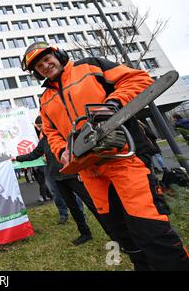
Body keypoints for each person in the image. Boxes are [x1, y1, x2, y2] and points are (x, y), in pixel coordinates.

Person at [22, 41, 189, 270]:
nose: (45, 65)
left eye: (47, 59)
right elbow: (50, 132)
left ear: (58, 54)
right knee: (120, 232)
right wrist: (62, 151)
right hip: (90, 172)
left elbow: (138, 79)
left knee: (149, 226)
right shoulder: (44, 100)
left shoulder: (90, 67)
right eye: (39, 65)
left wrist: (113, 103)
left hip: (123, 159)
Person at [14, 116, 99, 246]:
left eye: (44, 126)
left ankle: (114, 232)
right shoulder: (44, 141)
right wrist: (17, 158)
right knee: (72, 207)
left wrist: (82, 171)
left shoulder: (65, 135)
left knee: (91, 203)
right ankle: (85, 233)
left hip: (72, 174)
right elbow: (33, 154)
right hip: (58, 178)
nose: (42, 129)